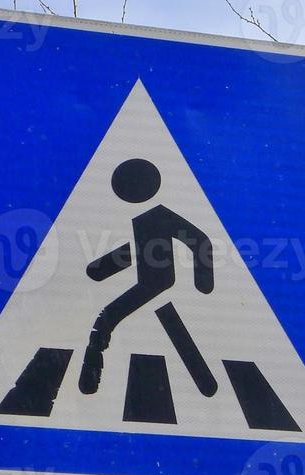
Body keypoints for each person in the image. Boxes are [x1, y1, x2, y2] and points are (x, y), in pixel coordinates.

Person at [78, 158, 218, 398]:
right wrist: (100, 269)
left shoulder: (158, 216)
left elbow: (199, 240)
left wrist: (203, 283)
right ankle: (208, 389)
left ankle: (209, 389)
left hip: (161, 287)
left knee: (177, 336)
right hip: (152, 286)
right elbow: (141, 249)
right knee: (113, 319)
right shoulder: (146, 220)